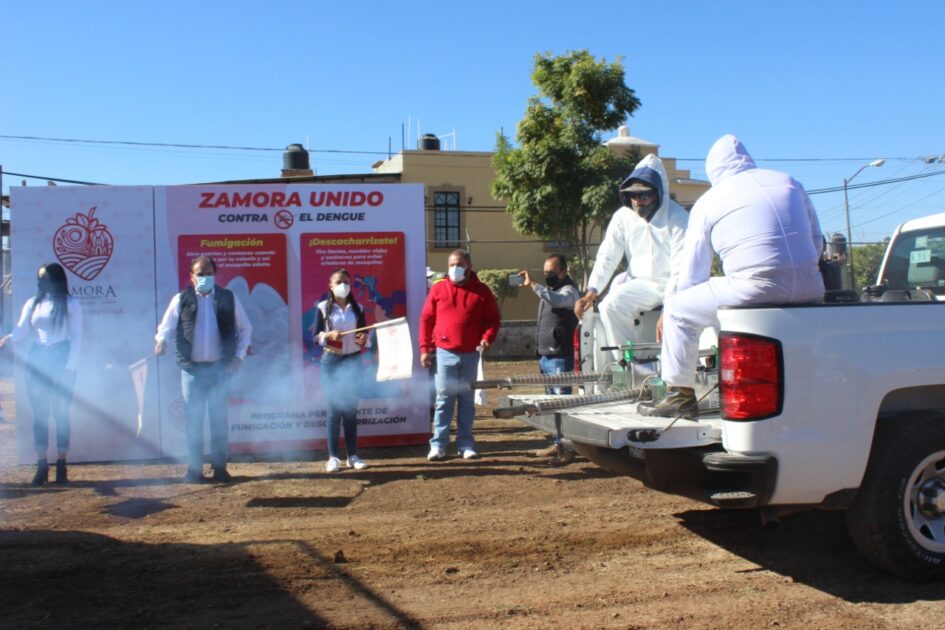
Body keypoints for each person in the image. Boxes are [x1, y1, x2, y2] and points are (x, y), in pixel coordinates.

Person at [639, 134, 825, 419]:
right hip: (812, 287)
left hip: (754, 287)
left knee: (678, 308)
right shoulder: (789, 182)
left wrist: (680, 308)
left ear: (714, 169)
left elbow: (693, 272)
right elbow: (817, 242)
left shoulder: (709, 200)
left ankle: (680, 396)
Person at [573, 154, 689, 356]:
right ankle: (630, 364)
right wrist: (593, 291)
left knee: (676, 326)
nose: (638, 201)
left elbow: (682, 268)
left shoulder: (678, 218)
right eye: (633, 196)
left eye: (644, 196)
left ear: (658, 192)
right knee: (610, 305)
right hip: (641, 283)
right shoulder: (622, 217)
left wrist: (669, 310)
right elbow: (608, 254)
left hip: (675, 285)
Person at [155, 256, 252, 483]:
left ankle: (220, 468)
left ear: (215, 275)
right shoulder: (181, 299)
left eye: (208, 272)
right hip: (192, 371)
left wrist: (238, 357)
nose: (204, 277)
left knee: (219, 420)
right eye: (199, 273)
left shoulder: (228, 298)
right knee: (193, 421)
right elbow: (166, 327)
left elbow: (246, 329)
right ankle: (194, 470)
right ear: (191, 276)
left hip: (219, 371)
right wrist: (161, 341)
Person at [0, 263, 83, 485]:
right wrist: (7, 339)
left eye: (44, 277)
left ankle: (62, 464)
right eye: (38, 278)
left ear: (56, 279)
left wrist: (69, 368)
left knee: (61, 412)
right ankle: (42, 464)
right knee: (40, 413)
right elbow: (22, 330)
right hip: (38, 359)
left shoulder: (70, 304)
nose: (40, 282)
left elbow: (77, 338)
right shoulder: (32, 303)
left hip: (61, 357)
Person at [420, 249, 501, 461]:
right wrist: (424, 349)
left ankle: (465, 444)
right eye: (451, 264)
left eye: (458, 264)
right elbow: (426, 320)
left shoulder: (482, 292)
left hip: (471, 355)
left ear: (469, 266)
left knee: (466, 401)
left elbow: (493, 320)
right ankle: (438, 445)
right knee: (444, 399)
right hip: (444, 353)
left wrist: (487, 338)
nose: (454, 269)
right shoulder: (438, 290)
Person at [519, 254, 580, 463]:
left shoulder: (569, 290)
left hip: (560, 356)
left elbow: (558, 301)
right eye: (545, 272)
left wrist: (534, 284)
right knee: (550, 404)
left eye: (551, 272)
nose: (547, 275)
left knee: (561, 402)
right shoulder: (551, 291)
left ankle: (568, 448)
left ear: (563, 271)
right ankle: (557, 443)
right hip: (546, 355)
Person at [311, 268, 370, 473]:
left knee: (351, 412)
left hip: (353, 362)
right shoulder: (322, 308)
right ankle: (333, 457)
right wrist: (328, 335)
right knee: (334, 411)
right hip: (332, 363)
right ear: (330, 286)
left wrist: (363, 338)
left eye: (346, 281)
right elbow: (314, 338)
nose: (342, 285)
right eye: (338, 282)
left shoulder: (358, 308)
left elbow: (365, 335)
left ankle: (353, 455)